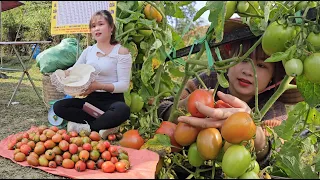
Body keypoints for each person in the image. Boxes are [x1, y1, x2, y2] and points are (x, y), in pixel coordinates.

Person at [158, 19, 302, 168]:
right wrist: (183, 107)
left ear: (274, 77)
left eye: (261, 65)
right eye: (243, 59)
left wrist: (252, 129)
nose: (248, 71)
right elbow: (162, 108)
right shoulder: (207, 81)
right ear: (228, 60)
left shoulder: (274, 109)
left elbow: (272, 154)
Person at [53, 10, 132, 139]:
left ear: (111, 27)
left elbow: (124, 85)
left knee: (123, 110)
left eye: (101, 24)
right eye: (93, 26)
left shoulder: (121, 52)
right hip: (91, 101)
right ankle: (103, 126)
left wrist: (99, 86)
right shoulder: (89, 51)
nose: (96, 28)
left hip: (113, 101)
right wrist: (64, 73)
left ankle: (88, 127)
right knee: (59, 106)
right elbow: (75, 70)